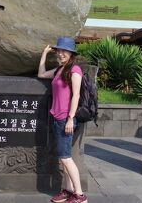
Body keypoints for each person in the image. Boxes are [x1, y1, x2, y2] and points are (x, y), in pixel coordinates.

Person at [38, 37, 88, 203]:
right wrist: (45, 54)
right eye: (58, 51)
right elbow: (41, 74)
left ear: (71, 53)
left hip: (65, 119)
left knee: (66, 157)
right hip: (56, 117)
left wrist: (70, 119)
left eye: (64, 51)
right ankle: (67, 190)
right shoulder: (60, 69)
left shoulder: (75, 70)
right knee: (63, 157)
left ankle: (79, 195)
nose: (61, 53)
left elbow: (76, 95)